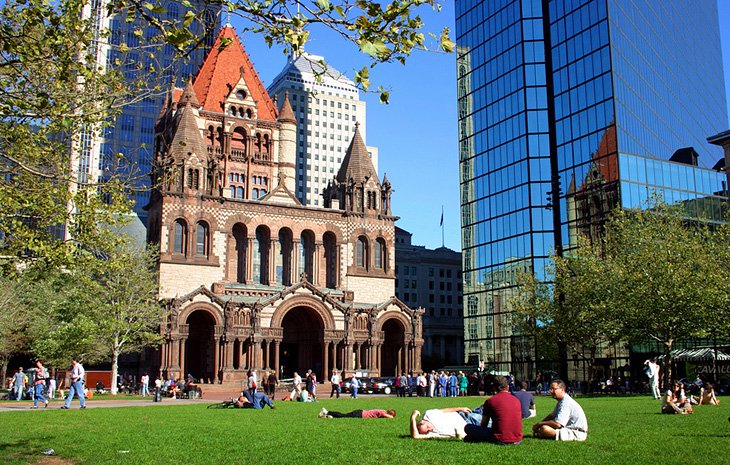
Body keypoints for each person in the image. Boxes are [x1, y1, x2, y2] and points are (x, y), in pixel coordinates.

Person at [462, 376, 523, 445]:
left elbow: (484, 424)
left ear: (494, 387)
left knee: (468, 428)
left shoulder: (491, 401)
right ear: (508, 387)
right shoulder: (516, 400)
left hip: (499, 438)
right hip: (517, 439)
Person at [410, 407, 482, 440]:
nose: (430, 429)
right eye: (427, 432)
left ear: (423, 421)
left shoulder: (429, 414)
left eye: (427, 427)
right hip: (468, 426)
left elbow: (445, 410)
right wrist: (413, 418)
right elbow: (416, 436)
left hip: (464, 415)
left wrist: (461, 408)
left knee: (488, 405)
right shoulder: (430, 434)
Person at [319, 408, 395, 419]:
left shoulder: (383, 410)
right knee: (343, 415)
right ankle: (327, 411)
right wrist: (392, 416)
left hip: (360, 412)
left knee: (344, 415)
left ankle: (327, 415)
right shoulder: (383, 412)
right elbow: (390, 417)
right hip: (360, 414)